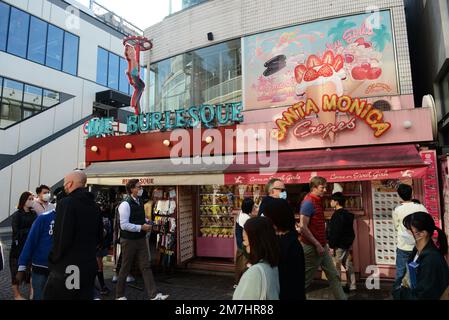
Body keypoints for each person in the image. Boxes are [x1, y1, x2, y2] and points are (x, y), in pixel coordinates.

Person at [43, 170, 103, 300]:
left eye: (65, 184)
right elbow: (99, 236)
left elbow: (62, 237)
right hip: (89, 264)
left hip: (70, 267)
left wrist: (53, 260)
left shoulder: (66, 203)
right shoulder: (95, 206)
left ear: (69, 184)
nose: (64, 187)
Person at [116, 179, 168, 300]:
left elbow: (140, 217)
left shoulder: (139, 201)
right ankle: (119, 295)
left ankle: (153, 295)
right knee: (125, 267)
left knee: (146, 266)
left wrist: (147, 221)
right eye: (139, 187)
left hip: (140, 238)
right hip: (128, 240)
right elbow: (123, 225)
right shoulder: (125, 204)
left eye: (140, 187)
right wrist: (141, 227)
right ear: (132, 189)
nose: (141, 189)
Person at [299, 176, 346, 300]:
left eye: (325, 187)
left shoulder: (318, 200)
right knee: (305, 279)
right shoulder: (308, 202)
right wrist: (317, 244)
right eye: (322, 187)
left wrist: (323, 244)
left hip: (321, 245)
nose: (325, 190)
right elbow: (303, 227)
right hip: (311, 246)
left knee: (333, 275)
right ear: (314, 188)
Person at [395, 212, 449, 300]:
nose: (404, 233)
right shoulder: (416, 251)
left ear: (422, 233)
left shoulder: (431, 259)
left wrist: (399, 293)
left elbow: (423, 295)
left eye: (408, 230)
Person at [264, 198, 305, 300]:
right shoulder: (279, 238)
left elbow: (292, 281)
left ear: (276, 219)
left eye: (267, 217)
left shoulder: (290, 244)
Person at [392, 184, 428, 292]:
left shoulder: (397, 209)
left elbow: (396, 226)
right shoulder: (420, 207)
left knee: (400, 272)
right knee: (419, 271)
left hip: (403, 246)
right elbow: (427, 222)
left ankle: (398, 294)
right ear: (412, 193)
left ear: (399, 196)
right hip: (419, 245)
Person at [233, 217, 280, 300]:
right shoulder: (273, 266)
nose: (244, 245)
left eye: (245, 240)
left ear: (256, 242)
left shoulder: (255, 272)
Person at [16, 208, 56, 300]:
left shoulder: (69, 218)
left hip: (60, 268)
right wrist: (22, 266)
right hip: (40, 266)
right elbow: (31, 241)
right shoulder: (43, 218)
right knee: (39, 296)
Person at [9, 191, 37, 300]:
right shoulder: (17, 215)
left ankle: (32, 293)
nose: (31, 200)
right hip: (18, 248)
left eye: (32, 198)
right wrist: (30, 230)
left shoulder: (33, 213)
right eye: (29, 198)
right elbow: (16, 232)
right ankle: (17, 295)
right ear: (23, 200)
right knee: (16, 271)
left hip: (31, 246)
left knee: (31, 271)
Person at [327, 192, 356, 292]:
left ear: (336, 202)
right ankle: (352, 285)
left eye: (332, 200)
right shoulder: (348, 215)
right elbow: (351, 231)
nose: (330, 202)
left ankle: (337, 287)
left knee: (336, 266)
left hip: (338, 245)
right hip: (347, 244)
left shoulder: (336, 216)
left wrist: (331, 245)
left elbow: (335, 232)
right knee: (348, 264)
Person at [234, 198, 257, 286]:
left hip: (241, 245)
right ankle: (242, 285)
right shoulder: (246, 218)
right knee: (244, 267)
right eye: (253, 206)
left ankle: (238, 283)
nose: (254, 207)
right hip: (244, 246)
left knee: (240, 266)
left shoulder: (241, 213)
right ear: (249, 207)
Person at [96, 201, 113, 295]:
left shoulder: (106, 216)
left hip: (102, 244)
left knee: (99, 264)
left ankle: (101, 286)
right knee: (99, 265)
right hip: (97, 244)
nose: (102, 208)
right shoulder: (95, 217)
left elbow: (108, 230)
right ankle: (102, 286)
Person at [125, 44, 145, 115]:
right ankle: (134, 103)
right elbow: (132, 71)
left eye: (132, 50)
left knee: (140, 91)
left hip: (135, 76)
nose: (131, 52)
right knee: (140, 87)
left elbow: (135, 68)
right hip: (134, 76)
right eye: (130, 51)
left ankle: (137, 111)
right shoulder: (131, 60)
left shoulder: (134, 60)